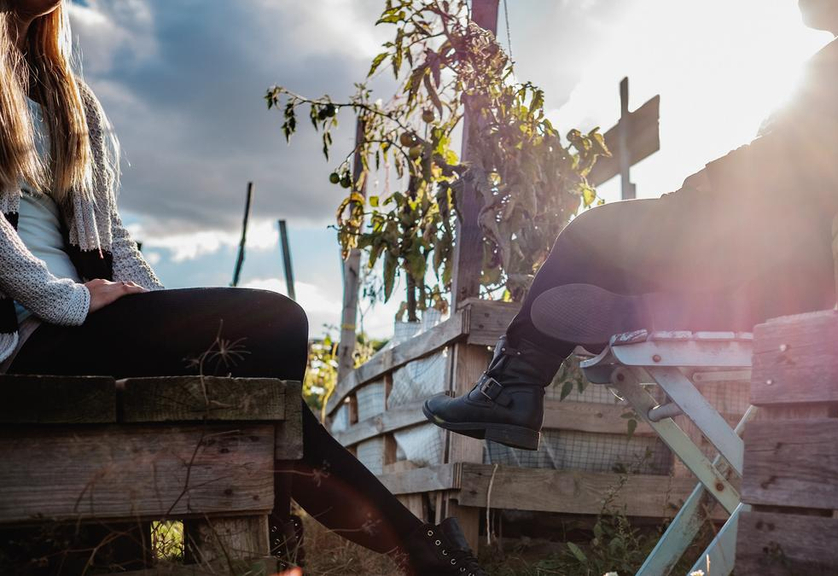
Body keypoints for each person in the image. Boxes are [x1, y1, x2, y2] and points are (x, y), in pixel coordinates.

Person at [0, 1, 484, 574]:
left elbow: (112, 234)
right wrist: (71, 300)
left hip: (95, 321)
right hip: (32, 337)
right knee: (277, 323)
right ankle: (388, 547)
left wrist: (161, 310)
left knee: (272, 337)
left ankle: (342, 546)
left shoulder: (69, 96)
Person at [424, 0, 838, 451]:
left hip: (783, 254)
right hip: (780, 248)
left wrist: (708, 184)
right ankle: (601, 333)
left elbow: (814, 156)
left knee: (593, 236)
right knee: (599, 244)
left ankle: (515, 386)